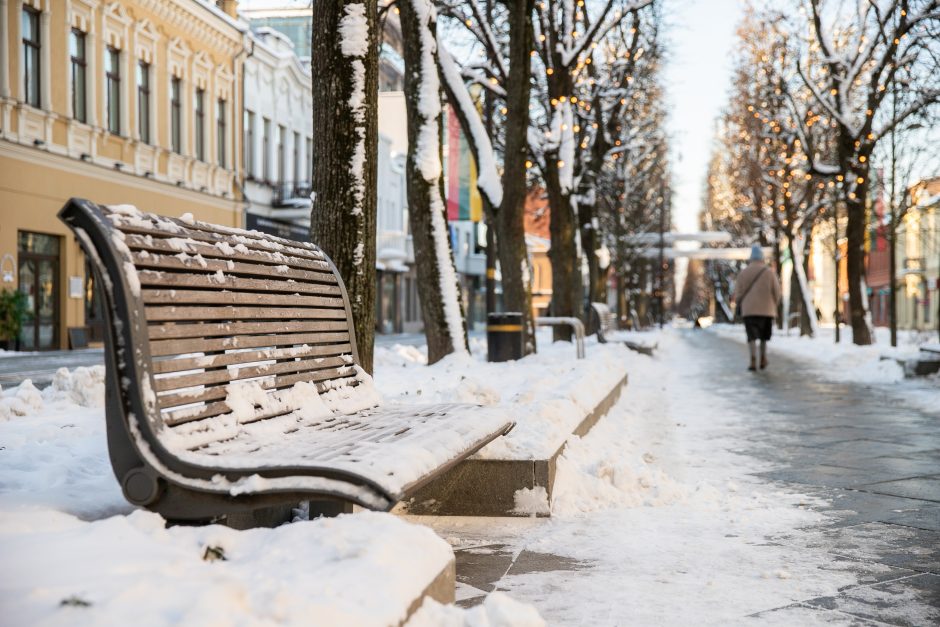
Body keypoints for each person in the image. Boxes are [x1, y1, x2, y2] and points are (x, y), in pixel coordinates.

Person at [734, 244, 782, 371]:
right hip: (767, 310)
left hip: (749, 311)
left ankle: (752, 359)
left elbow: (737, 294)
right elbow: (777, 292)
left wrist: (742, 303)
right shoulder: (769, 272)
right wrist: (773, 304)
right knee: (763, 337)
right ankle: (763, 358)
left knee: (751, 337)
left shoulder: (743, 273)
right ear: (762, 258)